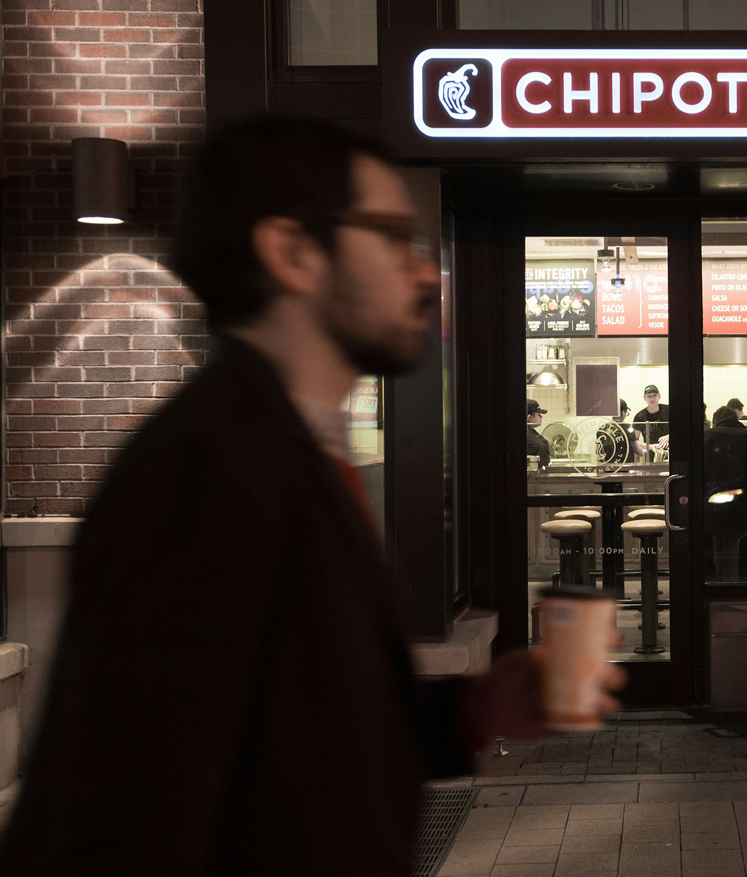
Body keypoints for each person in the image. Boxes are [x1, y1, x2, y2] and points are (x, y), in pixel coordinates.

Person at [0, 115, 621, 876]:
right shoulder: (211, 468)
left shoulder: (293, 445)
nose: (425, 273)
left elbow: (306, 729)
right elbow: (124, 820)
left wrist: (474, 710)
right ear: (293, 253)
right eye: (393, 236)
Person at [702, 406, 747, 581]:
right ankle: (745, 580)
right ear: (736, 419)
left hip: (713, 506)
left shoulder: (704, 438)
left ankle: (712, 580)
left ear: (715, 421)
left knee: (706, 535)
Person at [632, 383, 670, 461]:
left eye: (654, 395)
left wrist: (669, 436)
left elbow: (681, 429)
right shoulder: (640, 416)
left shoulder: (668, 410)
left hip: (670, 453)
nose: (652, 399)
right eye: (649, 396)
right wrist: (651, 446)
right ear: (644, 398)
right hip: (651, 456)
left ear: (659, 396)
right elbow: (635, 440)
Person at [594, 398, 637, 466]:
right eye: (626, 413)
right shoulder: (628, 428)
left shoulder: (602, 428)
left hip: (609, 469)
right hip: (626, 469)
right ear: (623, 412)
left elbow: (598, 452)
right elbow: (637, 450)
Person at [526, 398, 551, 470]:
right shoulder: (525, 433)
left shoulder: (531, 431)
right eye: (539, 415)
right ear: (530, 417)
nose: (541, 417)